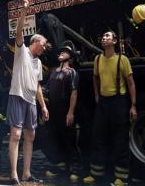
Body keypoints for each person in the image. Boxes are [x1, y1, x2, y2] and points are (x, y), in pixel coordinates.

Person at [83, 31, 137, 186]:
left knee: (120, 138)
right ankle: (96, 173)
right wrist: (97, 95)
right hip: (103, 103)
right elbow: (95, 77)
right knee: (98, 137)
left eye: (107, 36)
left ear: (114, 41)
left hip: (118, 102)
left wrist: (133, 105)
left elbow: (131, 82)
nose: (104, 38)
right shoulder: (97, 59)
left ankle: (121, 177)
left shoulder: (122, 59)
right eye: (103, 36)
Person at [7, 0, 49, 186]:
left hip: (32, 100)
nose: (45, 47)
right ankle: (14, 175)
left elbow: (38, 85)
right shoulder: (21, 50)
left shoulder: (38, 62)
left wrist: (43, 106)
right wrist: (24, 10)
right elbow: (18, 32)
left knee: (30, 136)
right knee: (16, 135)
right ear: (35, 42)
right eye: (43, 44)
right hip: (17, 96)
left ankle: (26, 173)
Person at [44, 41, 81, 182]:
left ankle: (75, 169)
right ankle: (60, 167)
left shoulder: (71, 72)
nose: (61, 53)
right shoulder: (53, 72)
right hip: (53, 110)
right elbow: (46, 89)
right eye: (60, 52)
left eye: (64, 52)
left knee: (69, 140)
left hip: (65, 109)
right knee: (55, 138)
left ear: (70, 57)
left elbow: (74, 93)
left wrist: (70, 112)